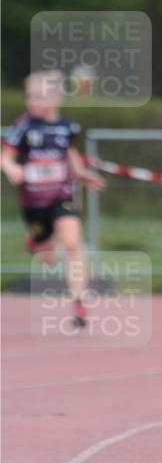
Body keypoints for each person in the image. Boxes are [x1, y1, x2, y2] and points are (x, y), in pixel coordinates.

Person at [1, 70, 106, 328]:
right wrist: (11, 168)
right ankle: (37, 241)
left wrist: (81, 174)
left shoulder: (68, 127)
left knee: (72, 244)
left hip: (62, 196)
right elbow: (6, 156)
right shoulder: (24, 126)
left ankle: (79, 304)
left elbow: (70, 154)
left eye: (38, 96)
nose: (32, 102)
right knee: (48, 257)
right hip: (34, 203)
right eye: (29, 97)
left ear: (55, 98)